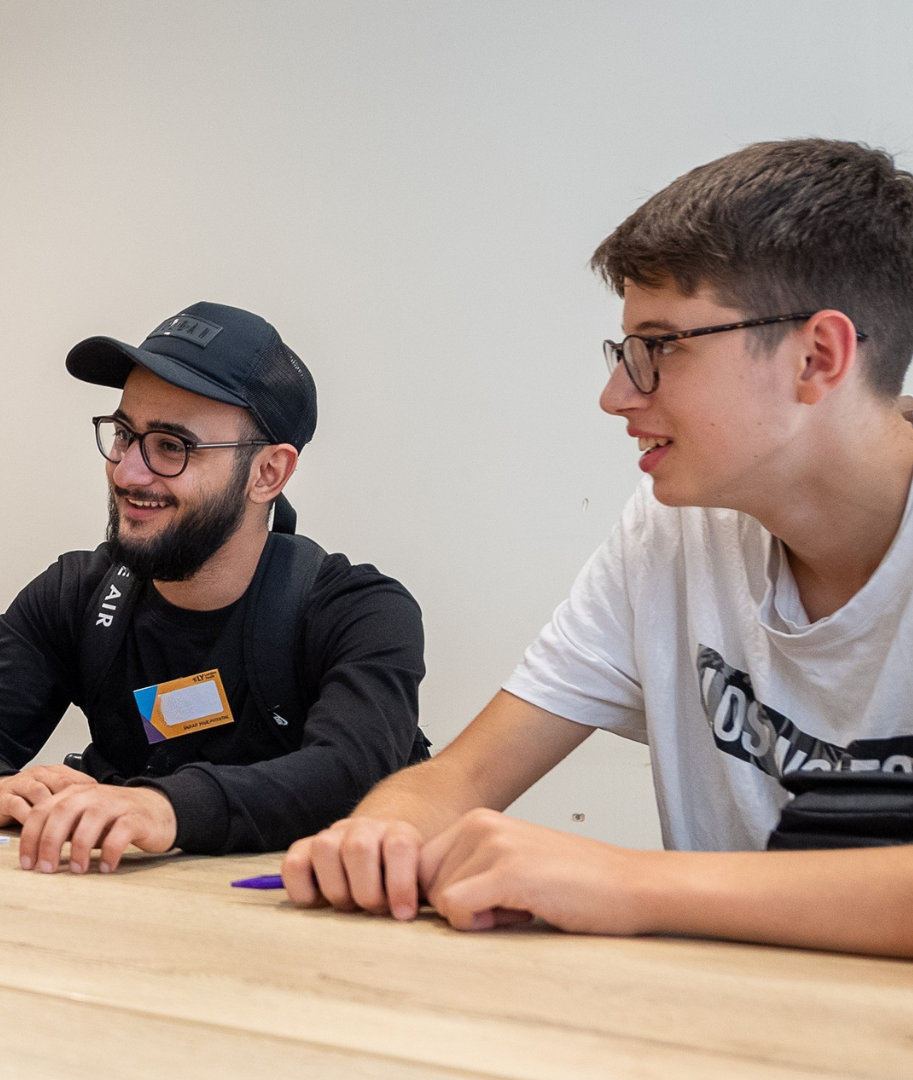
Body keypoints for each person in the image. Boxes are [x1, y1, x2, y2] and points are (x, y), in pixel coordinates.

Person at [284, 139, 913, 959]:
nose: (616, 396)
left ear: (816, 357)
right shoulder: (674, 527)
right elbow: (465, 777)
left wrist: (629, 882)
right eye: (625, 352)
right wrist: (382, 835)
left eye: (661, 348)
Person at [0, 302, 429, 873]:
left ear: (268, 473)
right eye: (125, 434)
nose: (128, 472)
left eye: (172, 446)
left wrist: (164, 807)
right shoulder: (77, 596)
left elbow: (352, 773)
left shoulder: (359, 612)